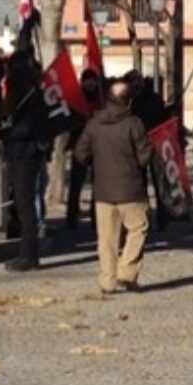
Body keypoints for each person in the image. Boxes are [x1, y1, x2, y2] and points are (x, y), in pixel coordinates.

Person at [73, 80, 153, 293]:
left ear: (107, 98)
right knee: (138, 229)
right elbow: (144, 157)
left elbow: (80, 154)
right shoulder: (134, 123)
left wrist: (97, 164)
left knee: (107, 239)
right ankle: (127, 272)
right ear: (129, 101)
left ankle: (107, 281)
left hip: (103, 192)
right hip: (131, 189)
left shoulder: (93, 124)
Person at [0, 51, 46, 271]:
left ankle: (29, 256)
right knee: (23, 205)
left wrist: (6, 134)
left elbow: (28, 128)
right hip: (22, 153)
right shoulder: (29, 93)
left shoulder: (29, 95)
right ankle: (27, 253)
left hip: (24, 154)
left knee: (25, 206)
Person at [125, 70, 170, 231]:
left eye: (137, 80)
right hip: (137, 146)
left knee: (159, 184)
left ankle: (162, 219)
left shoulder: (147, 99)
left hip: (152, 143)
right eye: (133, 80)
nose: (136, 83)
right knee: (140, 185)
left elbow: (160, 118)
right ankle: (144, 217)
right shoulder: (126, 100)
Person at [66, 68, 102, 230]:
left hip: (98, 147)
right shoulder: (76, 100)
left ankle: (96, 217)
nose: (90, 84)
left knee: (99, 184)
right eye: (87, 80)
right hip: (80, 146)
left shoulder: (101, 100)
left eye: (93, 80)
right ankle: (71, 218)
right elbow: (69, 122)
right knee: (76, 184)